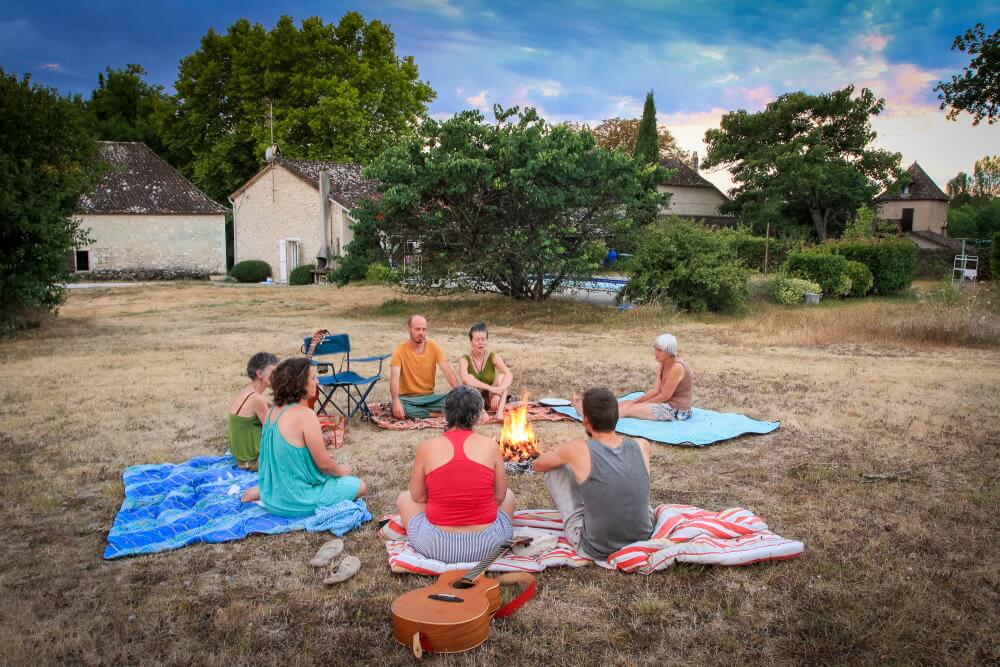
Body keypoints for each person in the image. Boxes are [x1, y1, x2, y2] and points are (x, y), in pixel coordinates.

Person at [395, 386, 515, 563]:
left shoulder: (427, 447)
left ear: (446, 413)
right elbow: (500, 496)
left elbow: (418, 496)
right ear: (476, 416)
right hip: (489, 545)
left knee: (404, 498)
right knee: (510, 496)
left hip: (436, 546)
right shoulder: (491, 446)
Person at [533, 387, 653, 561]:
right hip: (642, 538)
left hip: (595, 547)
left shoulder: (577, 449)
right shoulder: (642, 445)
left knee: (555, 469)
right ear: (617, 417)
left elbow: (538, 465)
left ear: (586, 420)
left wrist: (561, 456)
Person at [241, 358, 367, 516]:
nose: (317, 382)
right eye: (313, 378)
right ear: (300, 384)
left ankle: (262, 491)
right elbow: (324, 464)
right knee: (360, 485)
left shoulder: (272, 411)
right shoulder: (305, 415)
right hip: (298, 501)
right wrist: (341, 471)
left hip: (272, 496)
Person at [389, 314, 459, 419]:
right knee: (398, 407)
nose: (421, 333)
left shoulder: (434, 347)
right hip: (408, 399)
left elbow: (448, 373)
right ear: (409, 329)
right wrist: (395, 400)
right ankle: (438, 414)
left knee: (457, 401)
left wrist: (459, 394)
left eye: (424, 329)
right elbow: (394, 379)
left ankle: (421, 412)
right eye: (417, 329)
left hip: (430, 398)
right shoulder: (399, 351)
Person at [618, 333, 693, 421]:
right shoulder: (662, 363)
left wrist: (640, 404)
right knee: (623, 404)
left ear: (670, 351)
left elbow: (664, 396)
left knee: (629, 409)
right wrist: (635, 401)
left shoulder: (677, 367)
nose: (656, 353)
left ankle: (607, 422)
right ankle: (607, 414)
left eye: (660, 350)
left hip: (676, 410)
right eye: (655, 349)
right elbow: (655, 390)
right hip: (664, 403)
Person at [228, 352, 278, 470]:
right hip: (253, 460)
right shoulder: (257, 399)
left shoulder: (247, 392)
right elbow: (273, 430)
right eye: (274, 372)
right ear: (259, 374)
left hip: (241, 457)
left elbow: (273, 405)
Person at [458, 322, 513, 420]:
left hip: (491, 398)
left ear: (487, 340)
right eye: (477, 340)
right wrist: (490, 388)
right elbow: (465, 379)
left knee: (502, 376)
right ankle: (482, 412)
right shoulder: (464, 359)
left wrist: (498, 391)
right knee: (470, 378)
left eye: (483, 339)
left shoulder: (492, 356)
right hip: (473, 398)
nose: (480, 343)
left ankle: (499, 413)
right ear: (471, 341)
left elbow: (509, 374)